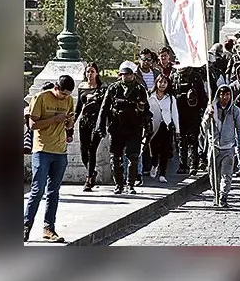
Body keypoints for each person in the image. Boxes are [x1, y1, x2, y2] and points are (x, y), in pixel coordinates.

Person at [24, 74, 76, 242]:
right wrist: (54, 119)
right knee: (37, 189)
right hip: (42, 149)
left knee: (54, 192)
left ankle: (49, 228)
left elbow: (69, 124)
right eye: (63, 94)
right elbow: (33, 125)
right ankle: (26, 226)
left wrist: (68, 122)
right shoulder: (41, 98)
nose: (65, 98)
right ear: (56, 88)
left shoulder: (69, 100)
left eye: (68, 95)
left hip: (60, 151)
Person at [96, 62, 151, 195]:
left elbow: (146, 110)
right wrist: (101, 126)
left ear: (133, 75)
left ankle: (130, 184)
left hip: (134, 127)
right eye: (123, 75)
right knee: (116, 158)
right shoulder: (113, 88)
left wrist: (148, 126)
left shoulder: (139, 89)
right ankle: (119, 184)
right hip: (117, 127)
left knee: (133, 157)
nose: (125, 77)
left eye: (128, 74)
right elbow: (104, 108)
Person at [203, 84, 240, 206]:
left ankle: (223, 195)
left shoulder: (235, 110)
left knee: (227, 175)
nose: (224, 97)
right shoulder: (212, 108)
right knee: (213, 174)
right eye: (222, 94)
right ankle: (216, 194)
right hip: (214, 146)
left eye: (227, 94)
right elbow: (204, 127)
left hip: (228, 147)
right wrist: (208, 117)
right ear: (218, 95)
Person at [73, 63, 105, 192]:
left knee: (92, 149)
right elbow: (78, 108)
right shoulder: (82, 86)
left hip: (96, 121)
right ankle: (92, 171)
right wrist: (71, 122)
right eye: (88, 72)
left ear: (97, 73)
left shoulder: (102, 88)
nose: (89, 74)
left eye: (92, 71)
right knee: (83, 151)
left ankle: (89, 178)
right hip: (84, 121)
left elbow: (105, 107)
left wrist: (104, 123)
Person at [146, 73, 180, 183]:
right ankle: (154, 163)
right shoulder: (150, 96)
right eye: (160, 82)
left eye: (165, 82)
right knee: (154, 148)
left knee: (165, 150)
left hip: (166, 125)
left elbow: (174, 114)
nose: (162, 84)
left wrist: (177, 130)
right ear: (156, 83)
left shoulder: (170, 98)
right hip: (154, 125)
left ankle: (162, 173)